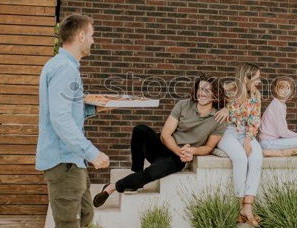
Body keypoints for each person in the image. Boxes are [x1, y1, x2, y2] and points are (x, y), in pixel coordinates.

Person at [14, 14, 110, 228]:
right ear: (80, 36)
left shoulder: (64, 67)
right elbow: (59, 120)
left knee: (84, 216)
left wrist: (93, 109)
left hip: (70, 160)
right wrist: (92, 153)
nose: (93, 40)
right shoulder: (64, 69)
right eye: (91, 34)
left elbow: (67, 113)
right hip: (64, 161)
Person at [92, 75, 227, 206]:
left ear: (215, 94)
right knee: (140, 130)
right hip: (164, 145)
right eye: (200, 89)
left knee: (152, 172)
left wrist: (192, 150)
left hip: (177, 159)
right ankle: (136, 173)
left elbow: (209, 147)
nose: (202, 93)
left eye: (207, 90)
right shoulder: (184, 105)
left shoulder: (219, 119)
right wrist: (179, 151)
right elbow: (165, 135)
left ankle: (111, 188)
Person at [216, 63, 263, 227]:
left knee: (256, 157)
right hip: (226, 131)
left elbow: (254, 119)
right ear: (245, 78)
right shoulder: (226, 90)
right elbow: (216, 111)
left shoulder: (256, 94)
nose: (259, 81)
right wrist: (228, 109)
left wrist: (248, 139)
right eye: (256, 77)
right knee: (241, 159)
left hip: (245, 132)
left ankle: (247, 206)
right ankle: (237, 204)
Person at [258, 77, 297, 157]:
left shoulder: (280, 105)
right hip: (268, 142)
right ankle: (279, 151)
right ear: (275, 89)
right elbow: (282, 132)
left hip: (272, 140)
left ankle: (292, 150)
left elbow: (282, 133)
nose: (285, 90)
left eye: (288, 88)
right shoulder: (276, 106)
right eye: (282, 87)